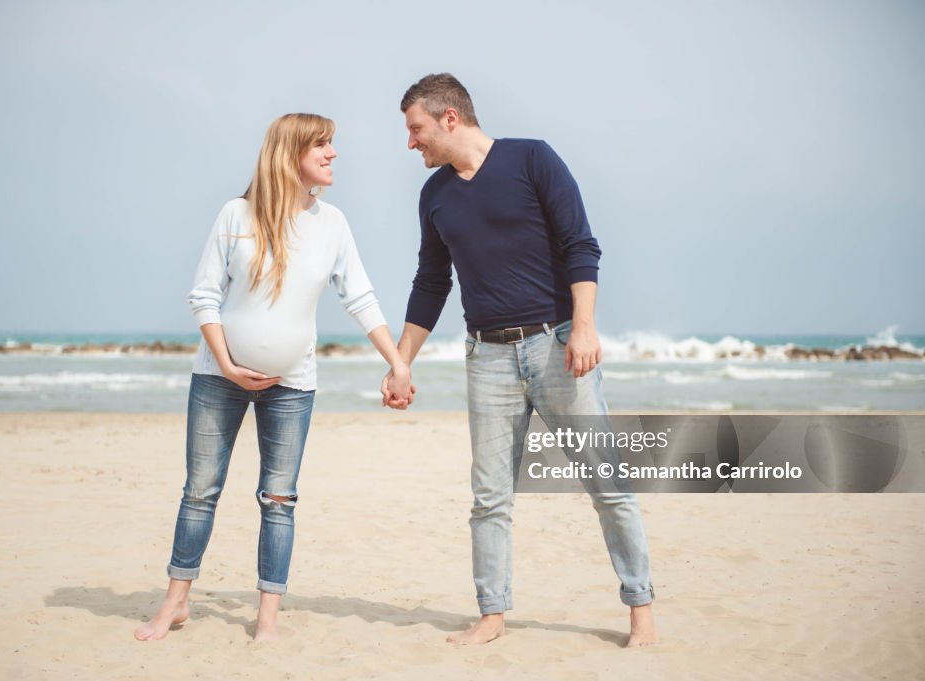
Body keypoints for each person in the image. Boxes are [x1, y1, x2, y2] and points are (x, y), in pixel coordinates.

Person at [381, 74, 658, 646]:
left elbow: (580, 244)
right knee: (490, 497)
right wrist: (401, 362)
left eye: (416, 129)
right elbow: (431, 284)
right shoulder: (434, 196)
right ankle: (492, 614)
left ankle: (641, 609)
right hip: (486, 355)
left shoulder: (533, 159)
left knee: (605, 482)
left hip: (557, 346)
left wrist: (583, 328)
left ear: (449, 117)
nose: (411, 143)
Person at [135, 113, 411, 642]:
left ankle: (267, 619)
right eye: (322, 145)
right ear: (291, 153)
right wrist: (229, 364)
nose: (333, 154)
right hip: (218, 378)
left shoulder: (333, 224)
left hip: (293, 384)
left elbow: (360, 297)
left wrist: (396, 362)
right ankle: (175, 604)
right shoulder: (236, 214)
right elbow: (204, 295)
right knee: (200, 491)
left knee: (279, 499)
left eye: (333, 145)